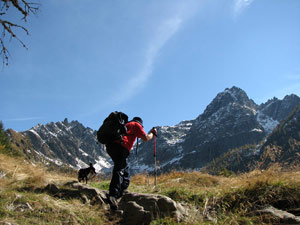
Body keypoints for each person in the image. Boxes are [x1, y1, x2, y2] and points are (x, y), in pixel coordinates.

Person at [105, 116, 157, 210]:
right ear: (141, 123)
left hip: (111, 146)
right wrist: (152, 133)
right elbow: (145, 138)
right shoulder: (136, 125)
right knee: (120, 168)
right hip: (121, 146)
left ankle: (123, 190)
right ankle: (113, 195)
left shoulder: (125, 125)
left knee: (124, 166)